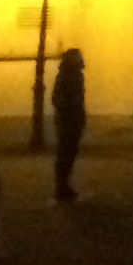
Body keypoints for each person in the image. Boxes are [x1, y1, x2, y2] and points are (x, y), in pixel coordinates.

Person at [48, 47, 87, 201]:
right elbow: (60, 98)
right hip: (69, 118)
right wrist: (71, 111)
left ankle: (63, 185)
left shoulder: (72, 75)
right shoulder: (69, 76)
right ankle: (61, 186)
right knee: (66, 153)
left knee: (68, 153)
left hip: (71, 117)